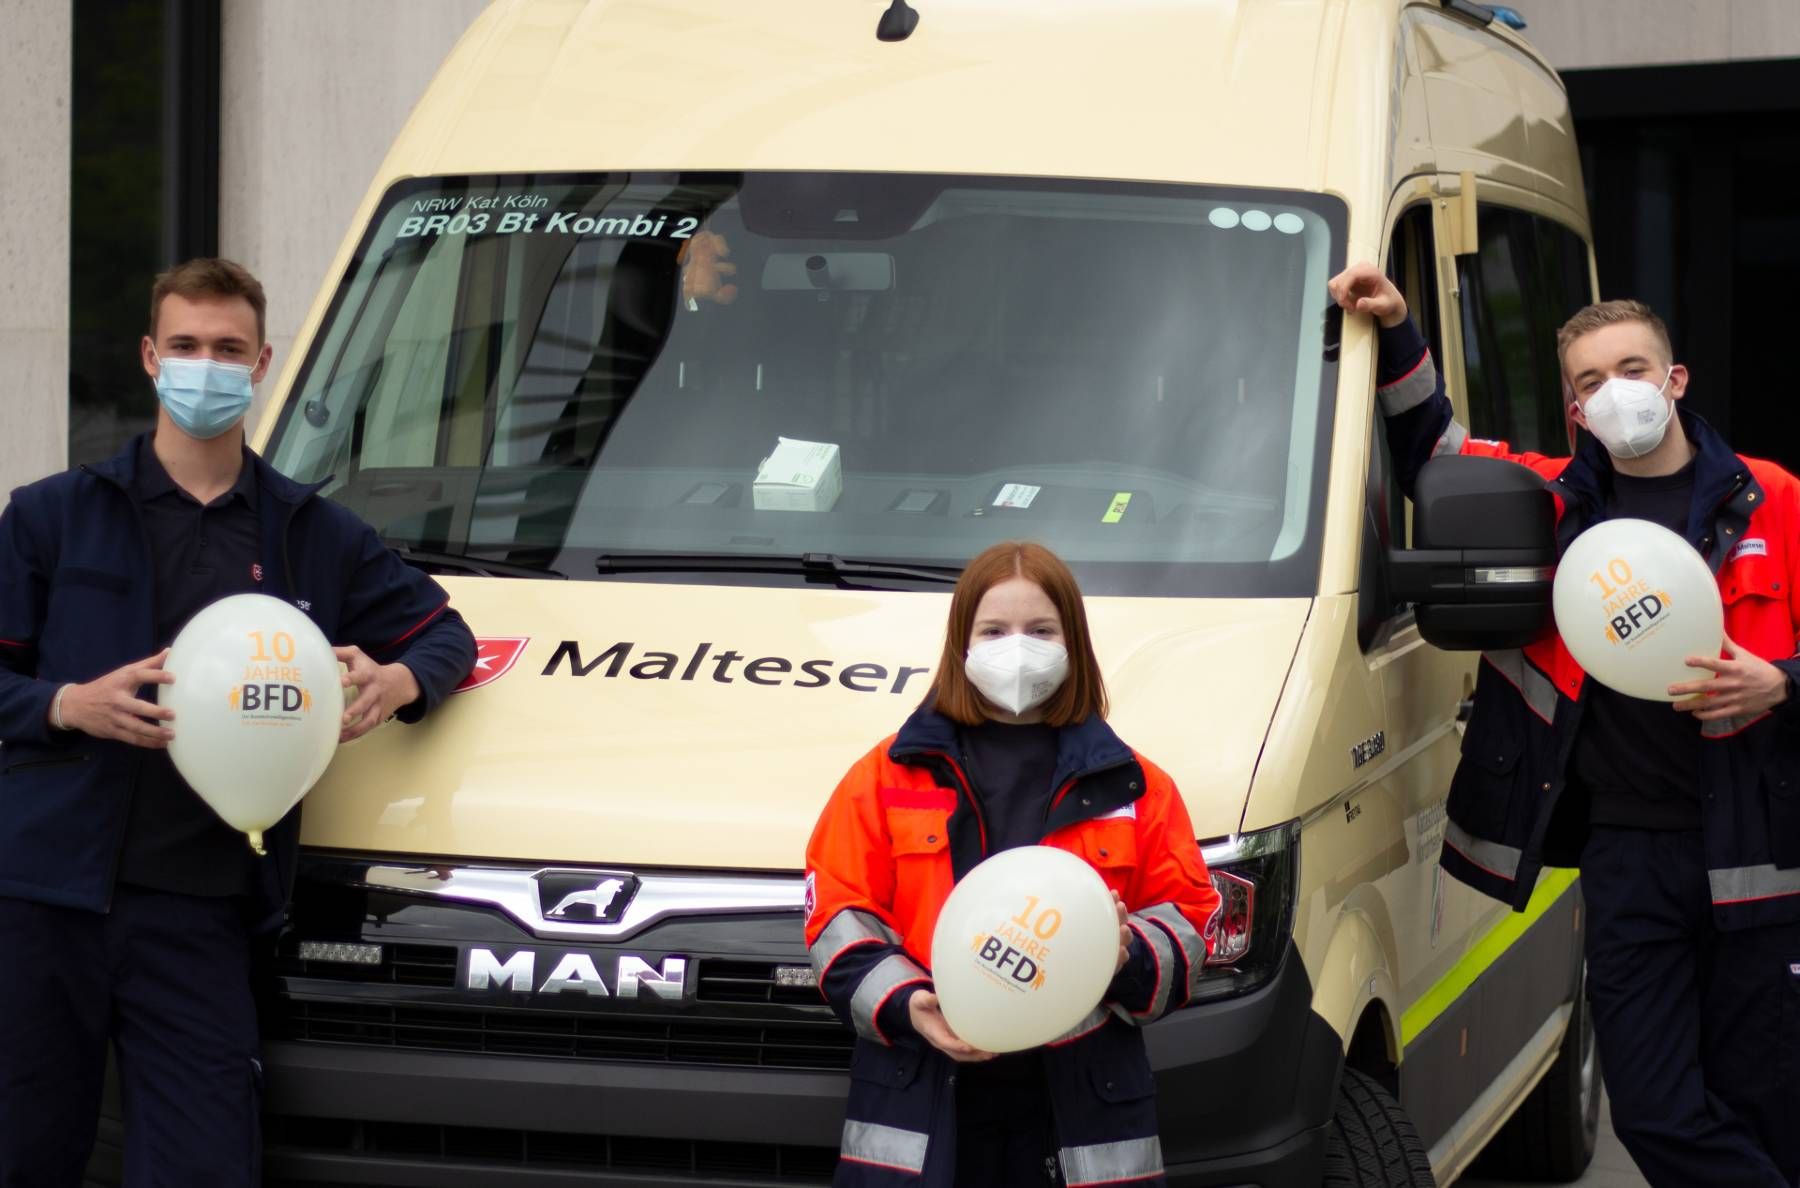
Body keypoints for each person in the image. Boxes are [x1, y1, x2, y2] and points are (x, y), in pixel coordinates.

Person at [0, 257, 477, 1185]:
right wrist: (65, 704)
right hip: (44, 900)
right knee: (26, 1157)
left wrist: (399, 683)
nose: (205, 367)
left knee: (204, 1165)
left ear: (261, 366)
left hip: (202, 911)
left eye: (228, 350)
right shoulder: (54, 516)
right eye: (185, 346)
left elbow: (444, 633)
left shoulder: (311, 532)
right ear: (150, 357)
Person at [1330, 262, 1800, 1188]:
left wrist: (1779, 684)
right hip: (1628, 856)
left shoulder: (1775, 498)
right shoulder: (1547, 502)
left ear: (1675, 379)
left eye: (1633, 369)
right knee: (1654, 1112)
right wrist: (1397, 328)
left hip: (1761, 847)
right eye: (1591, 381)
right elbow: (1438, 451)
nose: (1615, 391)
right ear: (1575, 410)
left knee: (1767, 1109)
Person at [804, 541, 1220, 1187]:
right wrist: (909, 1004)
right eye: (994, 631)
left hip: (1078, 1105)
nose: (1018, 649)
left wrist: (1124, 954)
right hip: (924, 1096)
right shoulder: (884, 777)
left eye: (1041, 631)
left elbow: (1190, 922)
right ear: (961, 644)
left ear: (1073, 644)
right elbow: (836, 916)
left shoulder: (1136, 788)